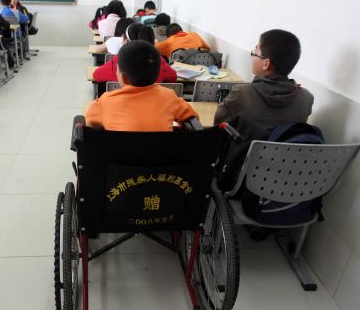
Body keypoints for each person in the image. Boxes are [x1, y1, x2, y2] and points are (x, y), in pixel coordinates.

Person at [214, 29, 314, 190]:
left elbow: (217, 129)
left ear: (266, 63)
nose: (253, 55)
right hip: (282, 183)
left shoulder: (242, 93)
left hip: (238, 182)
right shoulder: (306, 98)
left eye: (256, 52)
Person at [86, 41, 196, 132]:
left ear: (123, 77)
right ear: (157, 73)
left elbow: (90, 125)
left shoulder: (105, 101)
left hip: (118, 158)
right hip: (162, 157)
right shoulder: (170, 97)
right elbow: (193, 119)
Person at [94, 23, 176, 84]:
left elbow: (97, 75)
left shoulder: (119, 60)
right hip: (153, 104)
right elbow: (173, 77)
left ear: (128, 42)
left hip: (122, 104)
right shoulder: (159, 60)